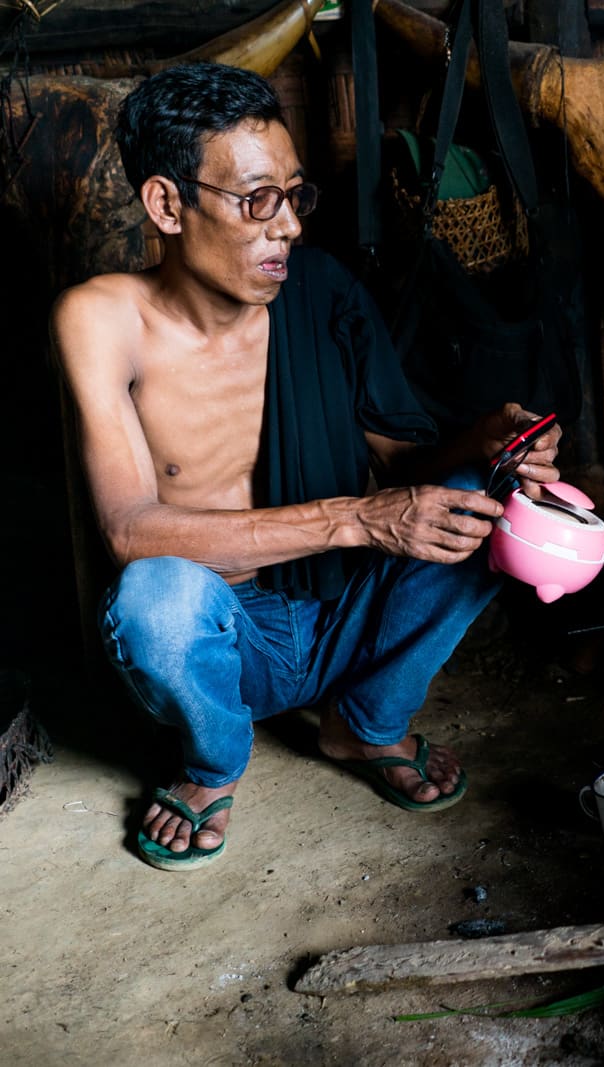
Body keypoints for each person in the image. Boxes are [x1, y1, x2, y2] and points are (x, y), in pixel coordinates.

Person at [50, 63, 561, 871]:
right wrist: (354, 517)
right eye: (257, 201)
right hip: (218, 633)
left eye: (294, 197)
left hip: (340, 606)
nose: (286, 226)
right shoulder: (104, 318)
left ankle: (364, 722)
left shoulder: (322, 292)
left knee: (491, 502)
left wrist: (487, 439)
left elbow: (404, 466)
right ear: (166, 204)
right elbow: (128, 530)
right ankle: (213, 762)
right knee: (155, 595)